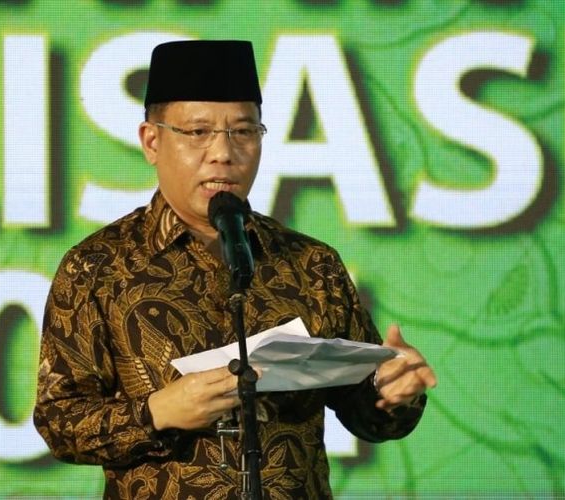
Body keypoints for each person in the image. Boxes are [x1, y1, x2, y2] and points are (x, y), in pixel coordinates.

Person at [34, 40, 437, 499]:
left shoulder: (311, 264)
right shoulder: (97, 266)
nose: (223, 153)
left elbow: (367, 414)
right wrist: (157, 412)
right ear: (152, 141)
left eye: (244, 131)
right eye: (197, 132)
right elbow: (60, 422)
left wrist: (393, 390)